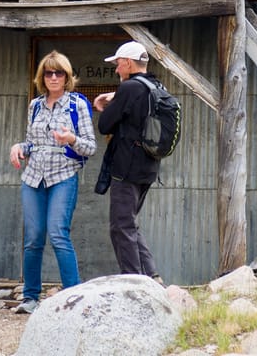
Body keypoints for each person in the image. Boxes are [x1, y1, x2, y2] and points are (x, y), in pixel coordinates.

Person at [9, 51, 96, 314]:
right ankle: (30, 298)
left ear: (67, 77)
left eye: (59, 73)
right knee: (33, 238)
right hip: (34, 177)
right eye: (49, 73)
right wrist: (19, 147)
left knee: (58, 234)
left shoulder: (77, 104)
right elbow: (32, 142)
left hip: (63, 176)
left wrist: (71, 139)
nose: (54, 77)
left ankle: (73, 297)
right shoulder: (35, 105)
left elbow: (90, 147)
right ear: (42, 77)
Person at [93, 41, 163, 284]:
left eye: (118, 64)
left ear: (129, 63)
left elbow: (105, 126)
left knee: (120, 227)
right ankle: (151, 276)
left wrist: (108, 104)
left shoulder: (129, 88)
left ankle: (133, 281)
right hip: (149, 167)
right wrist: (117, 97)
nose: (115, 69)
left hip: (127, 169)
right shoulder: (156, 86)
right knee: (130, 223)